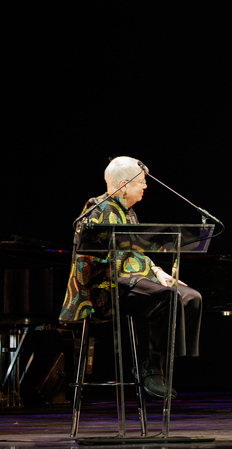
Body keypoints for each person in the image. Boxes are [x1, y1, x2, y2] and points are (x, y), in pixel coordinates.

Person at [59, 156, 202, 399]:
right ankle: (152, 368)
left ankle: (166, 362)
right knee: (167, 297)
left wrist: (159, 272)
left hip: (133, 278)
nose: (145, 186)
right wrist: (149, 277)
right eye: (142, 182)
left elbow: (135, 253)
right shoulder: (99, 207)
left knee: (191, 297)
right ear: (124, 186)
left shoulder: (129, 213)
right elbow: (106, 260)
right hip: (106, 285)